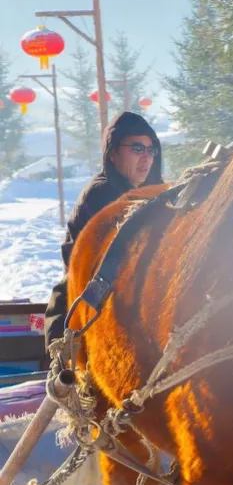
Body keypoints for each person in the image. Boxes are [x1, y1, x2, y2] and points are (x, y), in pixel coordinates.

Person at [44, 110, 164, 348]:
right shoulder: (103, 194)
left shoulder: (153, 195)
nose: (146, 157)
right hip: (87, 312)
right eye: (137, 148)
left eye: (151, 150)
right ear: (112, 153)